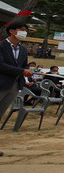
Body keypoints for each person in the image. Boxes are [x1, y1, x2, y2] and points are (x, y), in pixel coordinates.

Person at [0, 22, 34, 156]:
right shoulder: (1, 46)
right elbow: (1, 65)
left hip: (14, 86)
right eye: (22, 30)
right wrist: (21, 71)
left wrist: (26, 73)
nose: (24, 32)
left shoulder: (23, 50)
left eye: (25, 30)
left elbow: (24, 66)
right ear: (12, 31)